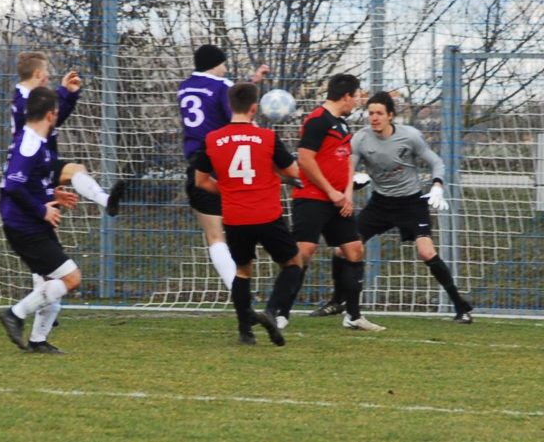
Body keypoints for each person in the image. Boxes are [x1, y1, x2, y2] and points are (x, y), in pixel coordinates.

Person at [311, 92, 474, 323]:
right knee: (342, 249)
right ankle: (338, 300)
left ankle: (460, 306)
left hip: (411, 203)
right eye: (371, 113)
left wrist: (437, 185)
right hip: (380, 204)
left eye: (379, 113)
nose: (374, 118)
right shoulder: (361, 139)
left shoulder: (410, 137)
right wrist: (356, 180)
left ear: (390, 115)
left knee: (426, 252)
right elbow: (348, 170)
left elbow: (436, 161)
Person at [195, 82, 303, 346]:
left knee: (242, 271)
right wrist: (273, 176)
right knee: (293, 263)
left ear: (230, 106)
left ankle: (245, 331)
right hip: (267, 214)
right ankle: (271, 310)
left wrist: (229, 189)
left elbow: (201, 181)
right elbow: (294, 172)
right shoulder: (267, 137)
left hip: (235, 217)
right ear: (255, 108)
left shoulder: (212, 139)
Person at [290, 74, 386, 331]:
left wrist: (345, 193)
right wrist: (331, 191)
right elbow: (306, 159)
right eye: (356, 97)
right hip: (311, 198)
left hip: (336, 200)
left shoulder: (341, 124)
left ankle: (353, 316)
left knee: (354, 249)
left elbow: (345, 162)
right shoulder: (317, 120)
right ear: (346, 96)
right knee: (303, 252)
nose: (357, 102)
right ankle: (280, 311)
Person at [0, 87, 82, 353]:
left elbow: (28, 181)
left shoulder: (34, 139)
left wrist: (51, 193)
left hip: (28, 223)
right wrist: (42, 209)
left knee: (51, 282)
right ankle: (15, 314)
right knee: (71, 278)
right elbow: (12, 185)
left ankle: (38, 341)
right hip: (24, 225)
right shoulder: (31, 143)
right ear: (50, 114)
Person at [178, 44, 269, 291]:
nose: (226, 68)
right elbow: (238, 113)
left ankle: (236, 290)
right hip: (225, 159)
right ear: (216, 64)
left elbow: (221, 99)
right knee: (245, 220)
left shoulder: (185, 86)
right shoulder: (222, 86)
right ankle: (242, 284)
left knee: (215, 235)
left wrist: (252, 81)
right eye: (224, 63)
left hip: (197, 163)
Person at [10, 51, 125, 216]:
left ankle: (107, 201)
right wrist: (64, 92)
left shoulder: (28, 97)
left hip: (41, 160)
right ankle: (105, 200)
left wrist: (68, 93)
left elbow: (51, 118)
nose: (48, 76)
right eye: (46, 71)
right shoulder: (25, 100)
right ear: (38, 74)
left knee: (75, 171)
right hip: (32, 166)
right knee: (39, 225)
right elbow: (49, 116)